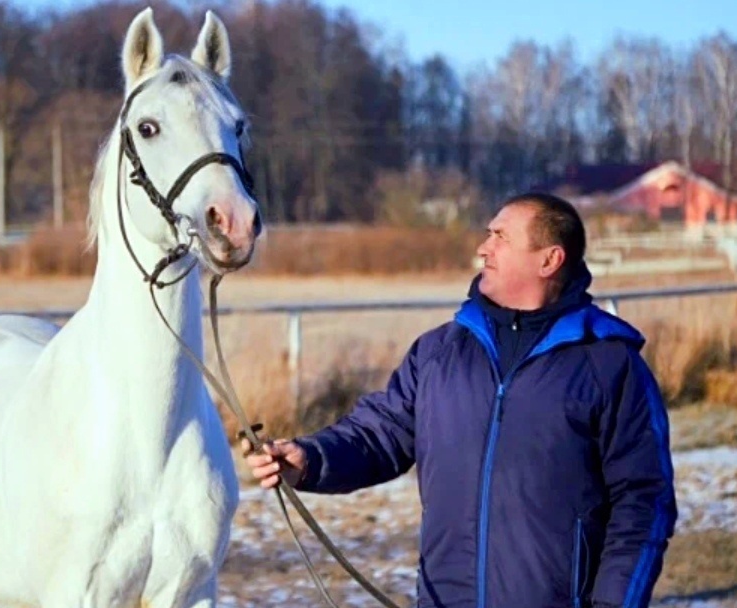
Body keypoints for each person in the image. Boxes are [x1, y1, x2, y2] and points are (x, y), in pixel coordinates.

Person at [241, 193, 678, 608]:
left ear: (549, 259)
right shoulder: (439, 353)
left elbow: (643, 500)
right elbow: (379, 434)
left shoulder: (608, 366)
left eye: (500, 237)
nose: (483, 248)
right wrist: (310, 459)